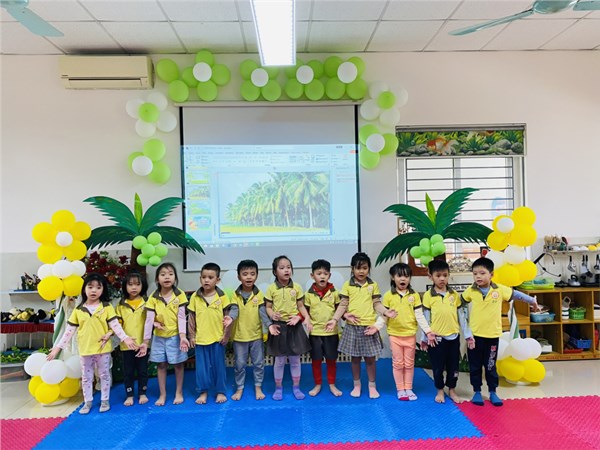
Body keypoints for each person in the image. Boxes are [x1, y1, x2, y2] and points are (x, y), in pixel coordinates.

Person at [47, 273, 137, 414]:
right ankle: (87, 402)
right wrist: (57, 348)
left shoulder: (107, 307)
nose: (94, 290)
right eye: (90, 287)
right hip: (85, 350)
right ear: (84, 289)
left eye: (98, 287)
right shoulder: (78, 310)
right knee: (86, 378)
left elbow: (115, 326)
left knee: (104, 375)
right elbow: (69, 332)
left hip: (103, 349)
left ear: (103, 290)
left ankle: (105, 400)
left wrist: (125, 338)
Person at [462, 257, 540, 407]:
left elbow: (516, 294)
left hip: (492, 336)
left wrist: (531, 301)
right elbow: (460, 302)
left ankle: (492, 391)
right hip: (474, 336)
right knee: (475, 366)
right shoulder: (471, 290)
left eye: (482, 273)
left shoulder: (499, 289)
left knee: (490, 366)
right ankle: (477, 391)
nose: (478, 276)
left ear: (491, 274)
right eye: (475, 274)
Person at [328, 252, 396, 399]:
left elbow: (377, 303)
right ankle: (357, 385)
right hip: (352, 327)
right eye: (358, 268)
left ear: (369, 269)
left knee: (370, 359)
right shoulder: (347, 285)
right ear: (352, 269)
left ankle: (372, 386)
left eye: (365, 268)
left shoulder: (372, 285)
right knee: (355, 359)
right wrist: (334, 319)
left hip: (369, 327)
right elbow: (343, 305)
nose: (361, 271)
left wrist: (385, 311)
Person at [420, 259, 469, 404]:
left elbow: (462, 316)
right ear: (430, 277)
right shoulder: (428, 296)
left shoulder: (454, 295)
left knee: (454, 367)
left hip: (453, 337)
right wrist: (424, 337)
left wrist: (468, 335)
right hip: (436, 339)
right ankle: (440, 390)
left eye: (445, 275)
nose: (442, 279)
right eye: (438, 276)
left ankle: (452, 390)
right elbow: (425, 318)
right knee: (437, 367)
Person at [188, 262, 237, 404]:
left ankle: (220, 391)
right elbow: (191, 318)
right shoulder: (195, 297)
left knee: (219, 367)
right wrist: (192, 336)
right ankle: (203, 392)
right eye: (204, 277)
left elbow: (227, 318)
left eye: (210, 277)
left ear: (218, 280)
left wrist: (226, 336)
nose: (206, 280)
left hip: (217, 339)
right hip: (201, 339)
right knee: (202, 369)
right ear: (200, 279)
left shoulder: (222, 297)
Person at [265, 255, 313, 401]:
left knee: (295, 360)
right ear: (275, 272)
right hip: (279, 327)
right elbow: (268, 307)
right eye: (282, 268)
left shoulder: (296, 287)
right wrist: (272, 314)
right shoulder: (271, 288)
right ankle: (278, 388)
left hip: (294, 327)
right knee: (279, 361)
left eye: (288, 267)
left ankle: (296, 387)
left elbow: (301, 306)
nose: (286, 270)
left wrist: (305, 318)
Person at [383, 262, 433, 401]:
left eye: (406, 276)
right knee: (398, 363)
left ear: (410, 278)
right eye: (399, 276)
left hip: (410, 335)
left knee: (409, 363)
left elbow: (419, 315)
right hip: (394, 335)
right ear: (393, 277)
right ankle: (400, 389)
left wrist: (428, 331)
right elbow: (384, 316)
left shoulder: (414, 295)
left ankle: (408, 388)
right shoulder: (388, 295)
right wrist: (375, 327)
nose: (403, 279)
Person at [143, 262, 190, 406]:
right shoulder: (153, 297)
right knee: (161, 365)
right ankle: (162, 394)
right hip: (159, 337)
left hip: (176, 336)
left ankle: (178, 392)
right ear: (157, 279)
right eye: (163, 274)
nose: (167, 277)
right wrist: (146, 340)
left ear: (175, 278)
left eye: (170, 274)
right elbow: (149, 319)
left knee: (178, 365)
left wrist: (183, 336)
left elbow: (181, 317)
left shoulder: (180, 295)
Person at [230, 259, 271, 401]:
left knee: (258, 364)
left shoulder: (259, 295)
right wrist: (229, 318)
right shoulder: (235, 295)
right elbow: (234, 310)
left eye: (252, 274)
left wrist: (269, 325)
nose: (249, 277)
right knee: (239, 364)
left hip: (256, 336)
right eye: (245, 274)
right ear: (239, 277)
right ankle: (239, 388)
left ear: (257, 276)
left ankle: (258, 387)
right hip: (239, 336)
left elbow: (263, 313)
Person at [304, 259, 342, 397]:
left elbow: (340, 310)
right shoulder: (308, 294)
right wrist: (305, 320)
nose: (322, 276)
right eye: (319, 273)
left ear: (329, 276)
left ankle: (332, 384)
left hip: (331, 333)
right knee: (316, 361)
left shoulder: (335, 293)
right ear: (312, 275)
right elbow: (304, 312)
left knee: (331, 360)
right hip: (315, 333)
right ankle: (318, 384)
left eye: (325, 274)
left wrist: (346, 316)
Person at [115, 271, 149, 406]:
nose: (134, 287)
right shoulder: (121, 305)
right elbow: (117, 325)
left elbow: (152, 319)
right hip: (126, 345)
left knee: (143, 371)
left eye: (137, 284)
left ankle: (142, 392)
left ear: (143, 286)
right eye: (130, 284)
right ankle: (129, 395)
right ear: (125, 286)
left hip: (143, 344)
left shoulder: (147, 302)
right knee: (128, 372)